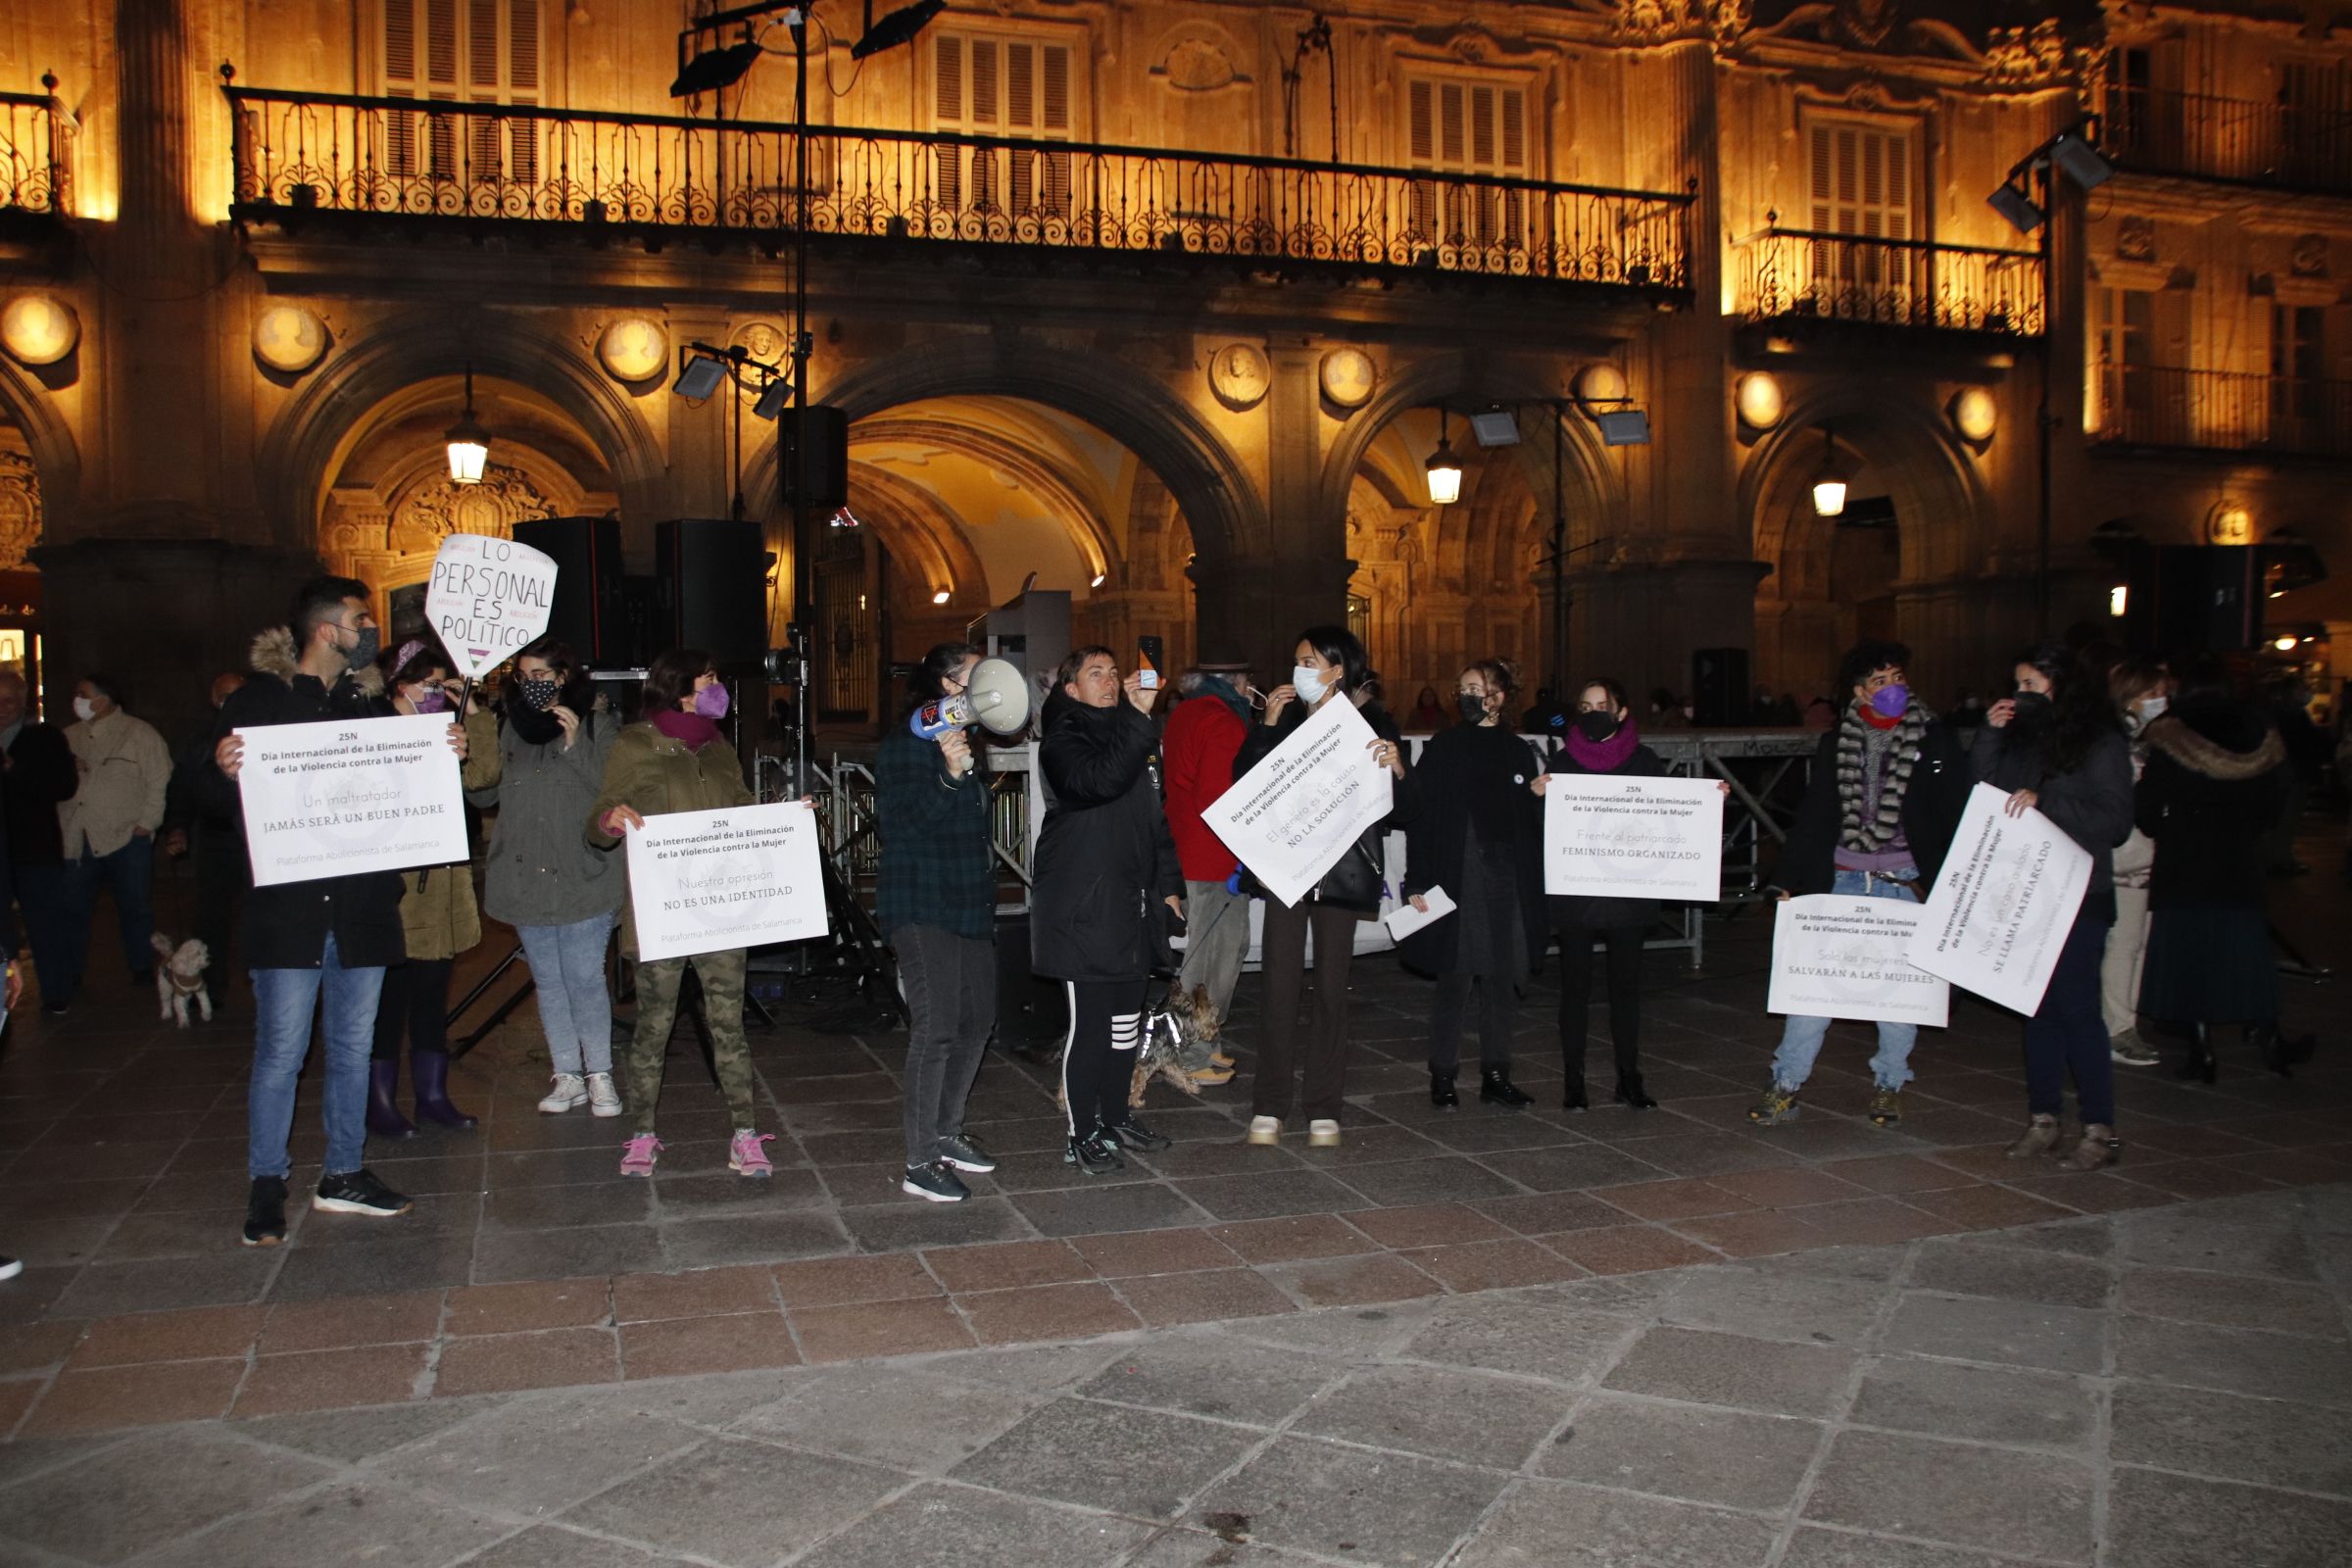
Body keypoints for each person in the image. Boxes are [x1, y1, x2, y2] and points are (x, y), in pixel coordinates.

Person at [210, 577, 466, 1245]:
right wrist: (220, 767)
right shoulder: (256, 704)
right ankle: (268, 1183)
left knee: (353, 1048)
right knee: (282, 1054)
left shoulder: (371, 708)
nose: (370, 633)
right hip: (289, 914)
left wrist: (442, 757)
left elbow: (404, 786)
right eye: (361, 620)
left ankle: (344, 1173)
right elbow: (201, 800)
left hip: (361, 909)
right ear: (327, 631)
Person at [1751, 642, 1967, 1129]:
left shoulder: (1934, 739)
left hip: (1906, 882)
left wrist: (1952, 885)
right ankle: (1786, 1084)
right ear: (1858, 692)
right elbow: (1815, 817)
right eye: (1879, 681)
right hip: (1845, 878)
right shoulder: (1836, 743)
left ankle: (1890, 1084)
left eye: (1897, 678)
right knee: (1813, 991)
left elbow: (1956, 811)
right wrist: (1784, 880)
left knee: (1899, 998)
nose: (1892, 688)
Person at [589, 649, 771, 1180]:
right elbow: (597, 819)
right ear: (682, 688)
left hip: (719, 908)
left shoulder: (718, 748)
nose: (719, 689)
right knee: (654, 1027)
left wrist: (779, 820)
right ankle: (642, 1133)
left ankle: (744, 1135)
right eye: (711, 679)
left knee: (728, 1026)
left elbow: (739, 808)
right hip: (662, 910)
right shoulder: (635, 744)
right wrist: (610, 819)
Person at [1237, 625, 1419, 1149]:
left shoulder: (1373, 725)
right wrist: (1267, 726)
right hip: (1288, 874)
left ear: (1337, 669)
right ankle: (1269, 1106)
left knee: (1332, 991)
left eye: (1309, 661)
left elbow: (1406, 809)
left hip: (1342, 874)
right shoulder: (1285, 721)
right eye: (1296, 661)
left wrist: (1398, 770)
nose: (1300, 670)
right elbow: (1246, 787)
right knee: (1278, 986)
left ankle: (1324, 1107)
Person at [1538, 678, 1733, 1110]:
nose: (1593, 713)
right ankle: (1575, 1079)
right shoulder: (1564, 763)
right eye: (1585, 707)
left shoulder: (1644, 761)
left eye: (1602, 705)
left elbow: (1671, 818)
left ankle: (1629, 1076)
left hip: (1628, 894)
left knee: (1625, 991)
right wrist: (1537, 798)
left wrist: (1709, 800)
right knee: (1575, 989)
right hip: (1578, 895)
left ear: (1621, 711)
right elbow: (1544, 828)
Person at [1976, 643, 2135, 1168]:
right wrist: (1990, 735)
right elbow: (1986, 794)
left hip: (2080, 894)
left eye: (2031, 685)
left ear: (2061, 685)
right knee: (2038, 1012)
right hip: (2029, 894)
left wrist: (2050, 803)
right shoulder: (2024, 739)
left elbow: (2113, 821)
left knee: (2077, 1011)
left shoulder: (2100, 740)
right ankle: (2043, 1119)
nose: (2021, 695)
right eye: (2017, 685)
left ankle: (2100, 1128)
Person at [1031, 645, 1184, 1174]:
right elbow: (1096, 782)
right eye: (1095, 673)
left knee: (1127, 1023)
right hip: (1084, 907)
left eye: (1114, 672)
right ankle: (1081, 1132)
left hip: (1131, 904)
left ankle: (1116, 1116)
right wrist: (1139, 720)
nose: (1111, 681)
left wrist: (1168, 884)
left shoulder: (1134, 735)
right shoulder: (1063, 737)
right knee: (1091, 1026)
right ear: (1070, 689)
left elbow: (1154, 816)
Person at [468, 635, 625, 1119]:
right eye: (523, 676)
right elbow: (482, 799)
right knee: (549, 981)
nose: (531, 685)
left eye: (541, 675)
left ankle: (599, 1072)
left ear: (564, 676)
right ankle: (566, 1074)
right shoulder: (508, 729)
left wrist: (577, 746)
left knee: (583, 976)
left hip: (583, 875)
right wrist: (467, 750)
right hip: (525, 878)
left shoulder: (601, 728)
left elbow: (613, 794)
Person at [2135, 656, 2308, 1080]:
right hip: (2238, 859)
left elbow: (2148, 809)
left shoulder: (2171, 733)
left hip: (2186, 860)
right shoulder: (2258, 729)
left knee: (2189, 954)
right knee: (2246, 952)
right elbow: (2278, 795)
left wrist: (2166, 822)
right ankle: (2270, 1040)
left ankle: (2202, 1051)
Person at [877, 643, 1004, 1202]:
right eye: (976, 677)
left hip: (966, 901)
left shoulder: (965, 742)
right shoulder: (907, 744)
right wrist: (951, 777)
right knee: (938, 1025)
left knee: (978, 1017)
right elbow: (903, 827)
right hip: (921, 900)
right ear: (948, 687)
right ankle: (921, 1159)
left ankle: (947, 1133)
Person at [367, 638, 498, 1139]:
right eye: (430, 684)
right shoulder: (373, 727)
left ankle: (433, 1095)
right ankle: (378, 1099)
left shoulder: (448, 726)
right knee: (388, 997)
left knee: (431, 993)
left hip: (441, 881)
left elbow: (485, 778)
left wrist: (475, 718)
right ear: (400, 685)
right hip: (392, 885)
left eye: (444, 685)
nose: (438, 694)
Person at [1401, 659, 1544, 1109]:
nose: (1464, 696)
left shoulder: (1519, 752)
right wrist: (1418, 879)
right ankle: (1443, 1075)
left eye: (1474, 688)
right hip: (1460, 876)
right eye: (1460, 688)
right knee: (1455, 979)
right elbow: (1421, 818)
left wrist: (1538, 800)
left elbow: (1530, 828)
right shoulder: (1444, 747)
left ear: (1498, 698)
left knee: (1503, 980)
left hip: (1506, 878)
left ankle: (1496, 1073)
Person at [1159, 661, 1255, 1087]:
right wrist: (1243, 855)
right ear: (1236, 680)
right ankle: (1190, 1050)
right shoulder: (1223, 722)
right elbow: (1224, 799)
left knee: (1210, 950)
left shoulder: (1186, 713)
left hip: (1194, 849)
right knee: (1217, 954)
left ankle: (1203, 1044)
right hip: (1217, 855)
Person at [58, 675, 172, 1004]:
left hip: (126, 836)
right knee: (73, 908)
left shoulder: (139, 733)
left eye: (84, 694)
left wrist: (147, 823)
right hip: (78, 835)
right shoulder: (67, 737)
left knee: (135, 905)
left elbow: (159, 779)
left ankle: (140, 965)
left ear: (104, 699)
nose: (77, 699)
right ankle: (71, 969)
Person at [2101, 659, 2170, 1068]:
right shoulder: (2117, 741)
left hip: (2145, 855)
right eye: (2152, 694)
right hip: (2125, 855)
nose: (2160, 701)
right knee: (2124, 943)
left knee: (2136, 942)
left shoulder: (2152, 738)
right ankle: (2117, 1027)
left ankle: (2125, 1019)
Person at [162, 673, 247, 1002]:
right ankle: (208, 986)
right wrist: (177, 827)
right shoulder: (200, 739)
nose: (231, 702)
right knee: (211, 916)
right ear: (214, 700)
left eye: (238, 695)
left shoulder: (266, 730)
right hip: (217, 838)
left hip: (256, 842)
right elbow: (182, 787)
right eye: (225, 696)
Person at [0, 671, 77, 1014]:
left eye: (9, 701)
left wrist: (15, 770)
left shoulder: (44, 737)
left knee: (45, 922)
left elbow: (63, 786)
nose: (2, 708)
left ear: (23, 700)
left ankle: (56, 992)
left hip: (34, 847)